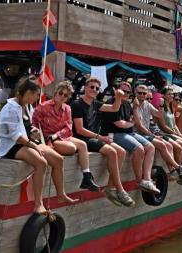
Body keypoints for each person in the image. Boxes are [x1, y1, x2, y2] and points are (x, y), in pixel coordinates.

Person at [0, 77, 78, 214]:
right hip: (11, 146)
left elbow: (28, 127)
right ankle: (38, 204)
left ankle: (61, 194)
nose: (36, 99)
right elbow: (14, 136)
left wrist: (34, 132)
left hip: (26, 143)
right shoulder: (10, 108)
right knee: (41, 163)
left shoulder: (27, 106)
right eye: (36, 95)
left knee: (58, 160)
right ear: (28, 93)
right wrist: (33, 146)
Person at [71, 77, 135, 207]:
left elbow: (114, 108)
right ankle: (120, 190)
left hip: (94, 138)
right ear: (85, 87)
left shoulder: (96, 103)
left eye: (96, 88)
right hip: (83, 139)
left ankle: (111, 188)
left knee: (121, 151)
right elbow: (79, 130)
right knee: (112, 152)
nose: (94, 90)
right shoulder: (77, 104)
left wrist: (118, 96)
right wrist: (100, 137)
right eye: (91, 87)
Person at [32, 81, 100, 192]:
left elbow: (68, 127)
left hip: (62, 136)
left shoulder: (67, 108)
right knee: (72, 148)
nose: (63, 96)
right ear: (55, 93)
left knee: (82, 144)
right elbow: (34, 122)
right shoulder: (43, 106)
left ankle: (87, 177)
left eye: (66, 95)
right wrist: (39, 134)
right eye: (61, 93)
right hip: (49, 139)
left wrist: (57, 135)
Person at [101, 82, 160, 194]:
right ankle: (139, 180)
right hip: (115, 134)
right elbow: (120, 124)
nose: (125, 94)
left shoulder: (128, 105)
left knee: (150, 147)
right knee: (139, 149)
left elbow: (135, 121)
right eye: (123, 91)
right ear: (117, 90)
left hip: (128, 133)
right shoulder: (111, 102)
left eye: (128, 92)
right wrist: (131, 123)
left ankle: (147, 179)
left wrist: (135, 110)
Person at [132, 84, 182, 181]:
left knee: (168, 145)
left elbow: (159, 114)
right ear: (135, 93)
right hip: (138, 134)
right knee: (163, 145)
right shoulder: (134, 105)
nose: (142, 95)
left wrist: (161, 105)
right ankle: (178, 169)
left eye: (144, 93)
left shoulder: (147, 104)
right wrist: (153, 135)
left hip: (146, 134)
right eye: (140, 93)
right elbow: (139, 126)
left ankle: (175, 170)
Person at [155, 87, 182, 185]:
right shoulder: (161, 107)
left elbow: (174, 124)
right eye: (169, 94)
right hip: (165, 133)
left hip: (172, 132)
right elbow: (162, 125)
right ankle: (180, 172)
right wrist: (174, 133)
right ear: (163, 96)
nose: (171, 96)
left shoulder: (171, 106)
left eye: (172, 94)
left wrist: (178, 133)